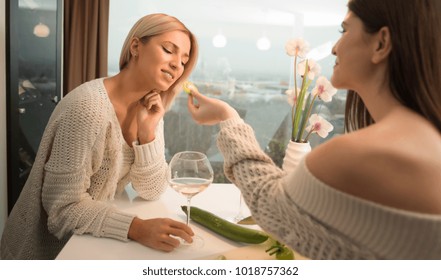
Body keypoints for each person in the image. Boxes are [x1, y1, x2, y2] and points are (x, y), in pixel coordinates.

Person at [187, 0, 441, 259]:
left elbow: (268, 203)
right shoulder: (430, 141)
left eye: (344, 31)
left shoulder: (357, 154)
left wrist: (228, 117)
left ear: (381, 43)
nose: (333, 47)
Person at [1, 13, 199, 260]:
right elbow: (62, 209)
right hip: (44, 256)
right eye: (169, 50)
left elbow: (152, 190)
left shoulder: (150, 108)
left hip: (92, 245)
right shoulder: (87, 108)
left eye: (184, 61)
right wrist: (136, 227)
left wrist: (147, 134)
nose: (176, 66)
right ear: (136, 46)